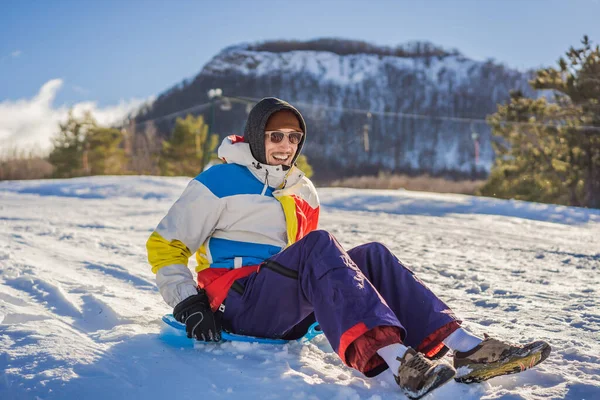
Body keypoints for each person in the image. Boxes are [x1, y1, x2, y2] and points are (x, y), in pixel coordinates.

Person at [147, 97, 551, 399]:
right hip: (237, 303)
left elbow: (314, 268)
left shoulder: (302, 190)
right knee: (319, 244)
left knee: (370, 254)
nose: (285, 145)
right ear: (256, 136)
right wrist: (189, 305)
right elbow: (166, 244)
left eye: (293, 137)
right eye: (275, 136)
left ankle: (465, 347)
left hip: (283, 308)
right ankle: (399, 364)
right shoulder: (219, 181)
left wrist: (340, 301)